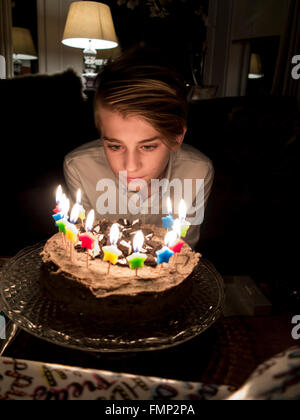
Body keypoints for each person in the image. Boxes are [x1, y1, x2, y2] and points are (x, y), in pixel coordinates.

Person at [64, 48, 214, 250]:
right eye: (115, 146)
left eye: (148, 146)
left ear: (177, 137)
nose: (130, 166)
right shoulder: (79, 168)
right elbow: (87, 247)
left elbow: (184, 250)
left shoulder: (198, 172)